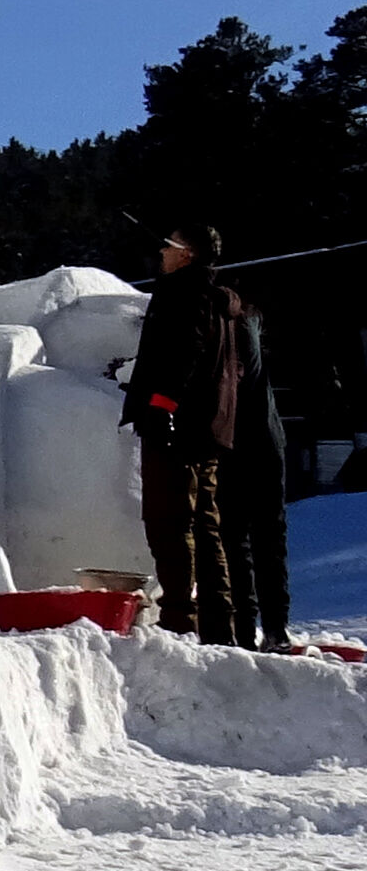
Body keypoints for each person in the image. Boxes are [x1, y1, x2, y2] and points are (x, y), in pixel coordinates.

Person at [121, 225, 241, 643]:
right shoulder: (218, 300)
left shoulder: (184, 294)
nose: (162, 251)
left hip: (179, 427)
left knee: (169, 521)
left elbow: (183, 352)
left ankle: (178, 617)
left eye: (169, 246)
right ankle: (217, 621)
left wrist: (161, 405)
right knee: (204, 524)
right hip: (208, 427)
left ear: (187, 254)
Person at [225, 289, 292, 649]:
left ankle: (248, 626)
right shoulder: (248, 324)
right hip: (269, 439)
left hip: (237, 442)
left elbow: (238, 379)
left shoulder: (230, 331)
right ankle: (275, 627)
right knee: (269, 539)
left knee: (236, 539)